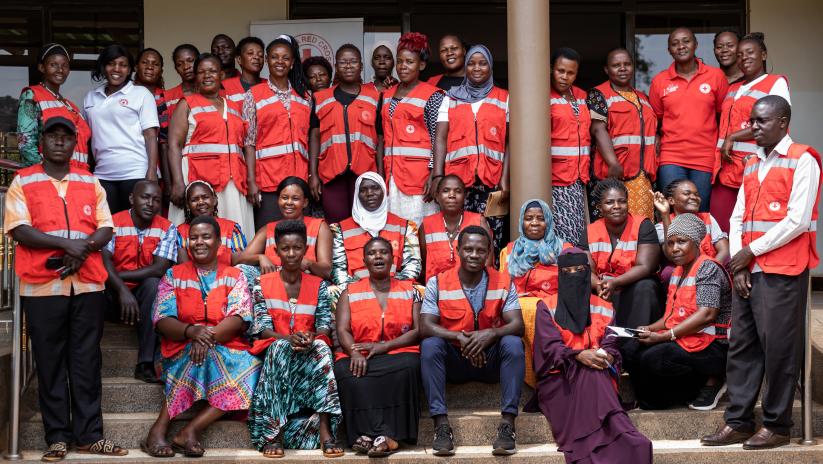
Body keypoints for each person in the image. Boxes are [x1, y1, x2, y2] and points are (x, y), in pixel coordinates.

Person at [701, 96, 821, 450]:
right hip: (749, 268)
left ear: (783, 122)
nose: (752, 128)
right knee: (742, 346)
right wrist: (740, 260)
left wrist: (749, 253)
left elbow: (797, 220)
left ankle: (777, 425)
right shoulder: (752, 163)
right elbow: (738, 217)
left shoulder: (803, 160)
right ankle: (738, 421)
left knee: (779, 349)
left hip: (783, 269)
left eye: (760, 122)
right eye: (752, 121)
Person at [5, 116, 126, 461]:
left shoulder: (89, 180)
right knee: (50, 361)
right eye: (53, 136)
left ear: (76, 144)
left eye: (66, 137)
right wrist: (66, 245)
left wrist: (82, 250)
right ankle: (56, 436)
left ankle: (90, 435)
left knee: (87, 360)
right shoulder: (23, 181)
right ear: (41, 142)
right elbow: (19, 229)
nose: (60, 141)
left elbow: (105, 227)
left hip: (86, 283)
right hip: (42, 287)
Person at [146, 215, 261, 458]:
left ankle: (190, 430)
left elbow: (239, 317)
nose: (199, 242)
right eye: (194, 237)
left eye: (206, 236)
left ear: (219, 243)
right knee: (195, 355)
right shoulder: (173, 275)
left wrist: (206, 337)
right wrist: (191, 332)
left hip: (225, 346)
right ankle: (159, 429)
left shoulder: (234, 275)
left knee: (252, 369)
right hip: (181, 347)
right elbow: (162, 319)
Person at [524, 250, 653, 464]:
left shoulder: (604, 306)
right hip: (561, 379)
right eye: (568, 271)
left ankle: (619, 435)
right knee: (592, 371)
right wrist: (578, 356)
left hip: (598, 371)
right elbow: (549, 349)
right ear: (560, 274)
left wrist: (609, 356)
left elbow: (611, 343)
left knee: (595, 370)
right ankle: (618, 433)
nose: (574, 275)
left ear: (588, 273)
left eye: (579, 270)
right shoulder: (546, 306)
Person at [420, 225, 524, 456]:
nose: (474, 255)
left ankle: (508, 426)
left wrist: (490, 335)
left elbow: (518, 324)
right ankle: (441, 427)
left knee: (513, 343)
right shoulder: (437, 282)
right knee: (430, 345)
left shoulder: (504, 281)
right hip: (454, 361)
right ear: (457, 250)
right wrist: (460, 337)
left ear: (489, 252)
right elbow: (425, 326)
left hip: (489, 361)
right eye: (468, 249)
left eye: (480, 250)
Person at [247, 220, 343, 458]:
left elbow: (323, 325)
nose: (291, 254)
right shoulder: (261, 283)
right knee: (279, 347)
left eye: (297, 248)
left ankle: (325, 431)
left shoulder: (318, 285)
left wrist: (312, 336)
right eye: (285, 248)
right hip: (275, 353)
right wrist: (288, 339)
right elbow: (261, 329)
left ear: (305, 249)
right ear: (276, 250)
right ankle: (274, 433)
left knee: (322, 347)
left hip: (307, 352)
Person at [623, 214, 731, 411]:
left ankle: (711, 380)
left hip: (711, 348)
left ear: (696, 242)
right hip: (686, 340)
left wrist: (664, 336)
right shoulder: (677, 272)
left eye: (682, 242)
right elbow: (669, 317)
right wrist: (648, 328)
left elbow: (707, 314)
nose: (674, 249)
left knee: (655, 357)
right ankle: (653, 400)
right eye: (671, 243)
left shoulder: (708, 268)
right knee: (630, 348)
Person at [334, 237, 422, 456]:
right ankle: (362, 436)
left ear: (393, 259)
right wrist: (353, 352)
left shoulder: (410, 290)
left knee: (410, 365)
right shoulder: (350, 292)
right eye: (372, 253)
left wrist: (385, 347)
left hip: (398, 352)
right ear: (364, 260)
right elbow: (342, 329)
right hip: (361, 353)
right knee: (345, 370)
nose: (378, 256)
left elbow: (419, 330)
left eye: (384, 252)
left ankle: (391, 437)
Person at [167, 53, 254, 235]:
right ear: (196, 76)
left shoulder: (234, 107)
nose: (207, 75)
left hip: (233, 181)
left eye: (213, 71)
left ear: (222, 75)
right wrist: (177, 182)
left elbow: (244, 146)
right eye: (201, 72)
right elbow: (174, 144)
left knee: (233, 232)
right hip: (199, 180)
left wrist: (250, 180)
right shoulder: (186, 104)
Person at [712, 33, 790, 233]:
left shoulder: (775, 82)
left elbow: (774, 120)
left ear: (763, 55)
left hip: (756, 165)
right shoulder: (733, 88)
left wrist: (734, 137)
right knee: (721, 229)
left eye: (749, 52)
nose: (743, 58)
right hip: (725, 169)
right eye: (739, 55)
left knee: (752, 227)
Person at [102, 180, 177, 384]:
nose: (150, 203)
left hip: (143, 297)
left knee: (154, 284)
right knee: (92, 285)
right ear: (131, 198)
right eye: (145, 197)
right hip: (111, 295)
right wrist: (121, 289)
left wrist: (121, 278)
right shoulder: (112, 222)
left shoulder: (167, 227)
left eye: (156, 200)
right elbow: (103, 262)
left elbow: (159, 268)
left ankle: (145, 364)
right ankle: (93, 360)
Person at [650, 27, 729, 211]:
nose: (681, 46)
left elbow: (723, 115)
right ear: (669, 50)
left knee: (699, 210)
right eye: (675, 43)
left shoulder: (715, 76)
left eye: (686, 41)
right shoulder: (660, 81)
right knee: (672, 209)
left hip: (705, 156)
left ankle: (701, 242)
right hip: (671, 156)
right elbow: (656, 120)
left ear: (695, 44)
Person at [445, 44, 509, 257]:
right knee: (462, 236)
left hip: (492, 181)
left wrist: (506, 178)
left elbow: (510, 142)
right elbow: (440, 139)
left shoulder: (504, 98)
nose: (476, 68)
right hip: (459, 182)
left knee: (491, 237)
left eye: (482, 63)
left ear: (490, 67)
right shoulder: (451, 98)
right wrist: (438, 176)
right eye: (471, 63)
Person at [243, 35, 313, 229]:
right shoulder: (253, 95)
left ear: (292, 63)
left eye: (285, 58)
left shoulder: (305, 95)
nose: (279, 62)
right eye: (274, 57)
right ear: (267, 60)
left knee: (299, 238)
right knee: (270, 238)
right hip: (268, 183)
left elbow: (310, 138)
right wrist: (251, 181)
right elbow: (248, 142)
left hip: (299, 181)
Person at [499, 199, 569, 387]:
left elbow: (572, 287)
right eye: (529, 218)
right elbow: (502, 287)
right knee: (528, 312)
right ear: (522, 222)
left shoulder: (563, 249)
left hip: (555, 308)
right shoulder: (510, 250)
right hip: (520, 308)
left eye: (540, 218)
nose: (535, 223)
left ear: (549, 221)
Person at [309, 44, 382, 223]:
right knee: (337, 229)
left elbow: (380, 138)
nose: (348, 66)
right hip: (332, 175)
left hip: (365, 175)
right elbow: (314, 137)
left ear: (361, 66)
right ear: (336, 66)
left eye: (353, 62)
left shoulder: (375, 96)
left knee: (366, 227)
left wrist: (380, 174)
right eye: (343, 62)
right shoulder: (321, 98)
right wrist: (313, 174)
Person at [83, 43, 159, 214]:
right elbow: (86, 138)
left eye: (123, 65)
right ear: (103, 67)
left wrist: (152, 173)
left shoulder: (141, 94)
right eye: (111, 63)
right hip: (102, 175)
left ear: (130, 69)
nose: (117, 69)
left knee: (135, 227)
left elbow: (150, 136)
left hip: (135, 172)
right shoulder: (90, 97)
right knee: (109, 227)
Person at [381, 32, 447, 227]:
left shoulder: (433, 96)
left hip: (419, 178)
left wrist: (434, 174)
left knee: (419, 229)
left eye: (409, 62)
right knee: (395, 231)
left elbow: (438, 138)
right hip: (391, 176)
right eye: (399, 61)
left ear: (421, 65)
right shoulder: (386, 94)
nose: (403, 66)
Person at [588, 48, 658, 221]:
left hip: (643, 176)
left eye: (627, 64)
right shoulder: (598, 94)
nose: (622, 68)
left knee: (641, 227)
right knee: (614, 225)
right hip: (614, 174)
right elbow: (598, 129)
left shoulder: (644, 98)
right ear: (606, 69)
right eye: (616, 65)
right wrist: (613, 163)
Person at [588, 179, 662, 328]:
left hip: (633, 285)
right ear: (599, 207)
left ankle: (634, 343)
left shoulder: (643, 225)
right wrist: (598, 285)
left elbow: (646, 266)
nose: (616, 206)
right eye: (609, 202)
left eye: (622, 201)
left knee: (646, 286)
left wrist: (615, 283)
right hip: (603, 288)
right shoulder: (590, 230)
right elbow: (585, 268)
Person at [330, 172, 421, 289]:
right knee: (331, 292)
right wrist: (358, 290)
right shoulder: (340, 229)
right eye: (363, 190)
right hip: (355, 291)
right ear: (357, 194)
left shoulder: (406, 226)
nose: (370, 193)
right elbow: (338, 270)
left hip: (395, 288)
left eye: (375, 188)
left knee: (419, 290)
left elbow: (413, 265)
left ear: (384, 190)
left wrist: (390, 287)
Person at [235, 176, 332, 279]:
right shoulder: (268, 229)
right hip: (273, 287)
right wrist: (260, 257)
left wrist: (309, 264)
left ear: (305, 203)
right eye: (284, 198)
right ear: (278, 200)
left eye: (295, 198)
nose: (289, 202)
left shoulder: (319, 227)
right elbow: (239, 259)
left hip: (307, 285)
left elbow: (327, 271)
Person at [17, 43, 92, 169]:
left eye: (65, 65)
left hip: (77, 177)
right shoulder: (31, 95)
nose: (60, 70)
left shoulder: (70, 105)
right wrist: (46, 175)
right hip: (50, 178)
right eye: (53, 65)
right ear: (42, 67)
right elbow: (26, 144)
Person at [550, 47, 591, 245]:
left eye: (570, 72)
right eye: (560, 70)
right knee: (561, 236)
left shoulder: (582, 96)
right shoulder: (543, 96)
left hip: (579, 176)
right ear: (551, 69)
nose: (564, 77)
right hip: (555, 178)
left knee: (578, 234)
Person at [420, 175, 491, 281]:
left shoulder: (479, 222)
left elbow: (487, 263)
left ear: (465, 196)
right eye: (446, 191)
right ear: (437, 196)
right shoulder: (426, 225)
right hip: (437, 291)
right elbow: (424, 264)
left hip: (472, 289)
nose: (452, 195)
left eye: (458, 191)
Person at [653, 179, 730, 263]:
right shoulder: (661, 226)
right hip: (681, 272)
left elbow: (724, 250)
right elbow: (671, 255)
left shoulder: (708, 218)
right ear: (671, 200)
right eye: (687, 193)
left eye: (696, 194)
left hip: (711, 269)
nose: (694, 197)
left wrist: (709, 270)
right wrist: (665, 214)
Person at [176, 180, 246, 266]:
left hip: (227, 277)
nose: (201, 202)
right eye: (194, 199)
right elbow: (184, 267)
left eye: (205, 197)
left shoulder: (232, 228)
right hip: (192, 278)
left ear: (214, 200)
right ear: (187, 205)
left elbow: (239, 264)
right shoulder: (180, 232)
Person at [134, 48, 171, 189]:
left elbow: (165, 141)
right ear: (136, 67)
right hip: (130, 165)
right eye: (145, 62)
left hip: (162, 168)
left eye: (155, 64)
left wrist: (168, 182)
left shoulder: (167, 98)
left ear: (161, 70)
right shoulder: (125, 94)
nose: (150, 67)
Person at [221, 36, 264, 114]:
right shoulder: (225, 86)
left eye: (260, 55)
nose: (257, 57)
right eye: (250, 53)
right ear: (239, 60)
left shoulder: (269, 86)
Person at [164, 44, 199, 121]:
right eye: (179, 64)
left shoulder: (212, 93)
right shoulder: (167, 97)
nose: (186, 67)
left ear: (200, 62)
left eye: (190, 61)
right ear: (176, 69)